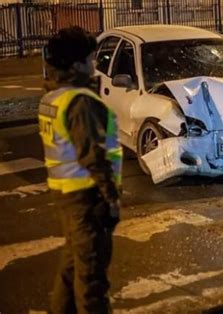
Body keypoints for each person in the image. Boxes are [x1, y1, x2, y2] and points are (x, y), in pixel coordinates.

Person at [38, 26, 122, 313]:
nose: (94, 65)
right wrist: (111, 197)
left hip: (67, 195)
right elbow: (94, 155)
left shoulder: (52, 98)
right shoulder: (80, 102)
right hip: (88, 197)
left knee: (73, 266)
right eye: (90, 59)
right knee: (92, 279)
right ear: (76, 65)